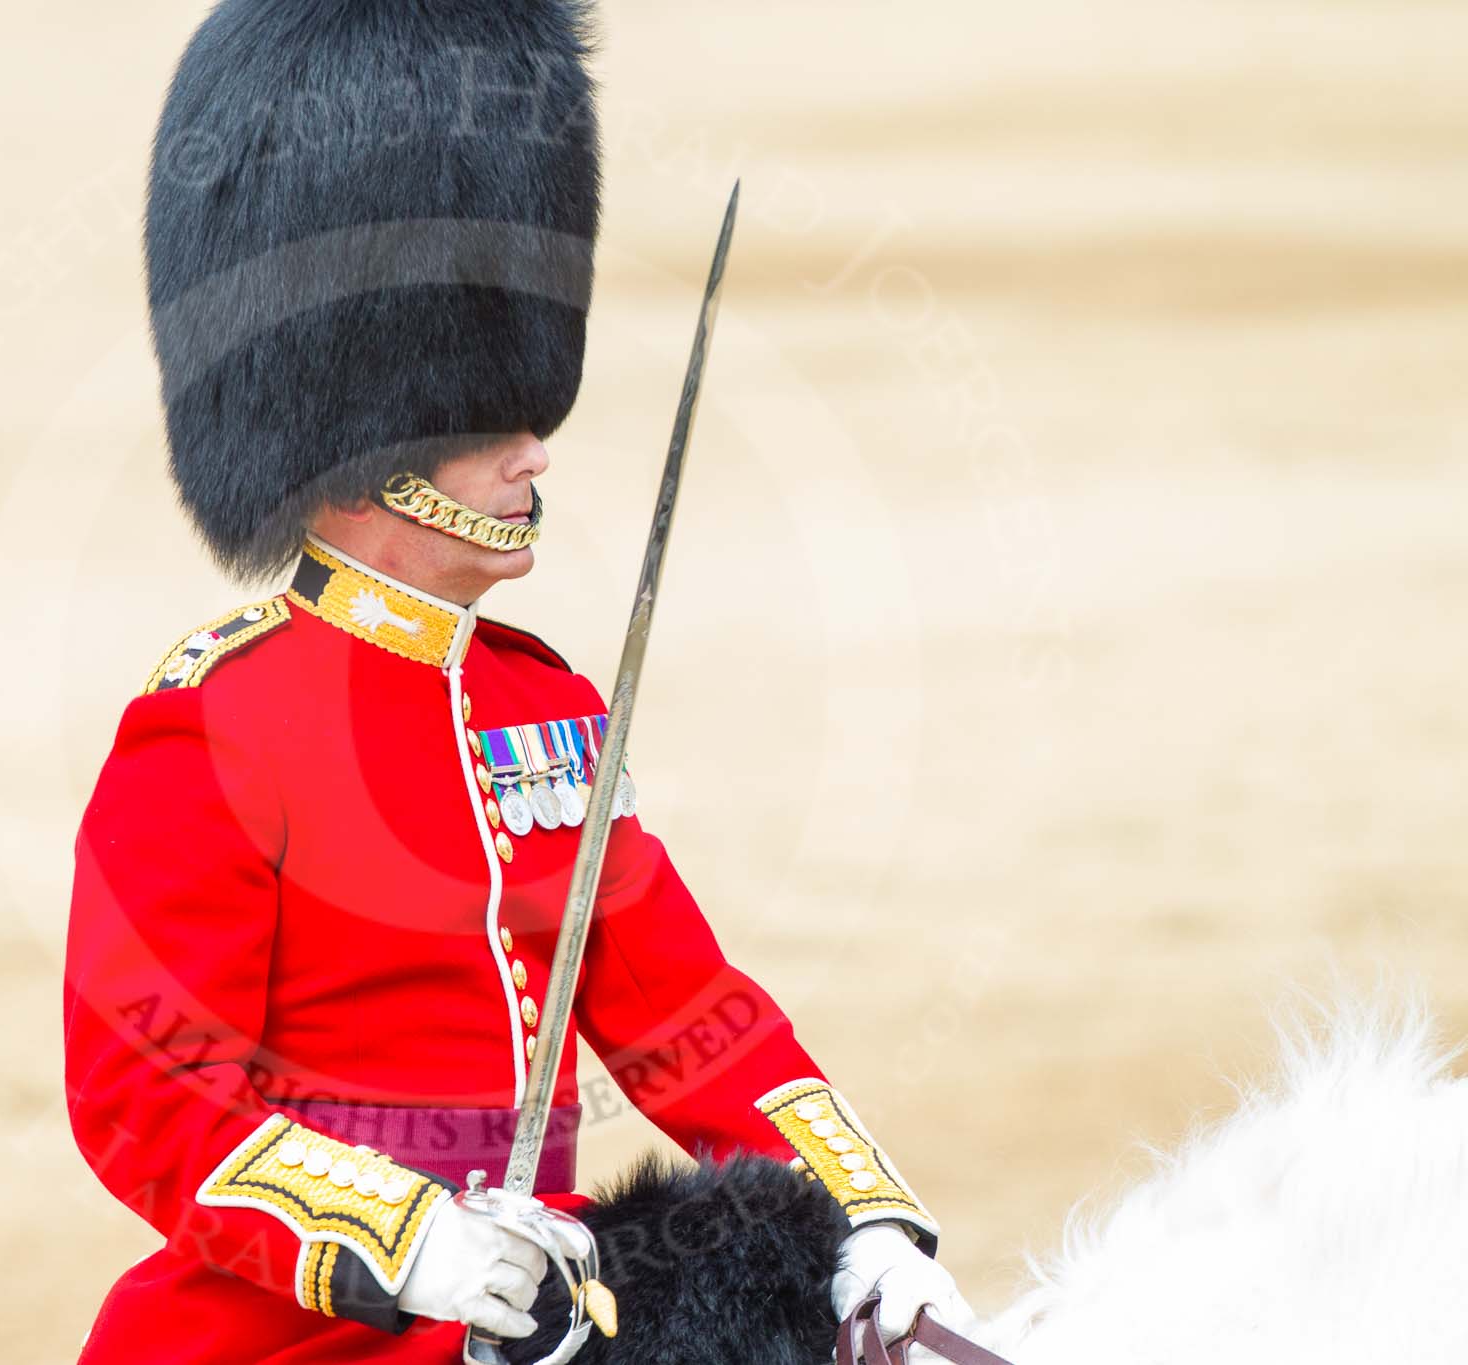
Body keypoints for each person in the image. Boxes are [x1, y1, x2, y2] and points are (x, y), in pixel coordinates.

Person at [64, 2, 969, 1360]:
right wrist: (411, 1239)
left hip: (548, 1318)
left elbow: (686, 1015)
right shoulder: (216, 725)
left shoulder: (543, 709)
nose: (535, 451)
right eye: (489, 420)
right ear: (370, 442)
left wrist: (864, 1219)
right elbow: (148, 1093)